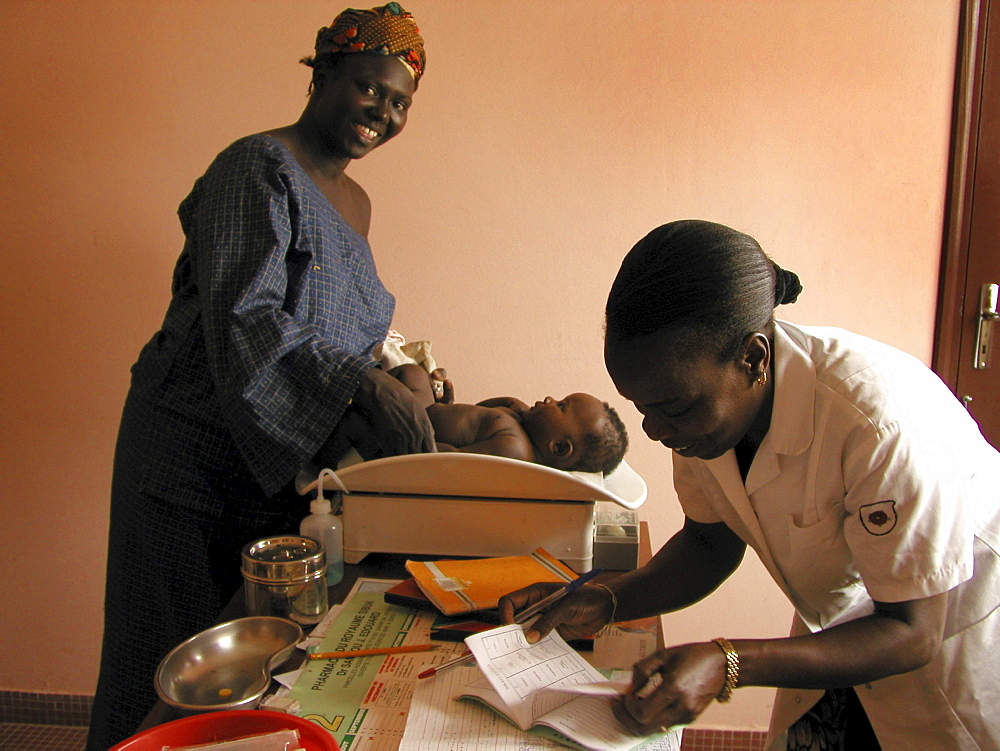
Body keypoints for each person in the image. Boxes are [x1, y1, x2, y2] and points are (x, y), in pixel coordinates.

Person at [499, 220, 1000, 750]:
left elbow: (910, 631)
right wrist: (604, 599)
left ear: (753, 359)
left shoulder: (877, 422)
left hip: (953, 647)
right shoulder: (705, 415)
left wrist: (728, 661)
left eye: (672, 408)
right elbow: (709, 543)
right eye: (641, 409)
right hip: (846, 628)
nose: (654, 430)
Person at [88, 6, 433, 748]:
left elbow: (339, 325)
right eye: (372, 87)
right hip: (187, 461)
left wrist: (399, 368)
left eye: (402, 101)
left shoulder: (358, 206)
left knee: (249, 669)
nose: (385, 111)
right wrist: (364, 388)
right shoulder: (258, 164)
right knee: (165, 663)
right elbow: (248, 314)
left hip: (271, 465)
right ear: (325, 72)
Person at [379, 362, 629, 474]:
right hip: (425, 412)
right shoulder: (520, 425)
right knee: (414, 374)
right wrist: (509, 405)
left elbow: (451, 460)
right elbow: (479, 411)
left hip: (413, 429)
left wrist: (419, 443)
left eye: (562, 406)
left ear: (559, 447)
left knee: (408, 376)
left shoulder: (514, 449)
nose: (551, 399)